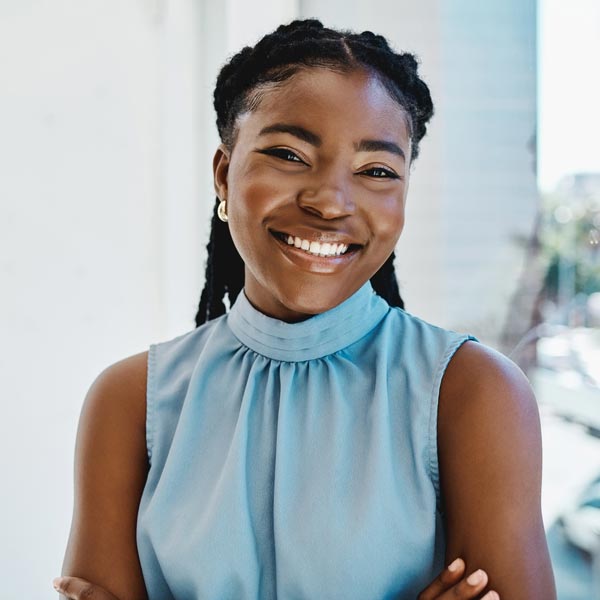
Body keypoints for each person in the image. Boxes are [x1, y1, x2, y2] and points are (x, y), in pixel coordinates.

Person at [53, 19, 556, 600]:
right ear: (223, 173)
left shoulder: (472, 394)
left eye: (376, 171)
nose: (330, 201)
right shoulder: (128, 402)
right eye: (290, 154)